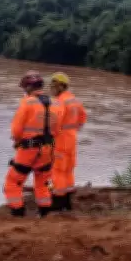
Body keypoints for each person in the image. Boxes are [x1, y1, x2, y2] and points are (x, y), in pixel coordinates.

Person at [4, 71, 62, 218]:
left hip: (28, 150)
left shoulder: (27, 103)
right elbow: (57, 130)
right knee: (42, 183)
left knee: (13, 182)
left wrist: (17, 142)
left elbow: (16, 130)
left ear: (29, 88)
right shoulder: (56, 104)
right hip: (47, 150)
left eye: (24, 88)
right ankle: (44, 213)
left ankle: (18, 212)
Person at [49, 72, 87, 211]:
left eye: (53, 85)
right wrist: (73, 130)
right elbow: (83, 118)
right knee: (68, 170)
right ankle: (67, 201)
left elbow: (54, 124)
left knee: (58, 171)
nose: (51, 88)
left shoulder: (59, 102)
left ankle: (58, 202)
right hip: (72, 141)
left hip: (60, 141)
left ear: (60, 86)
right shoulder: (74, 100)